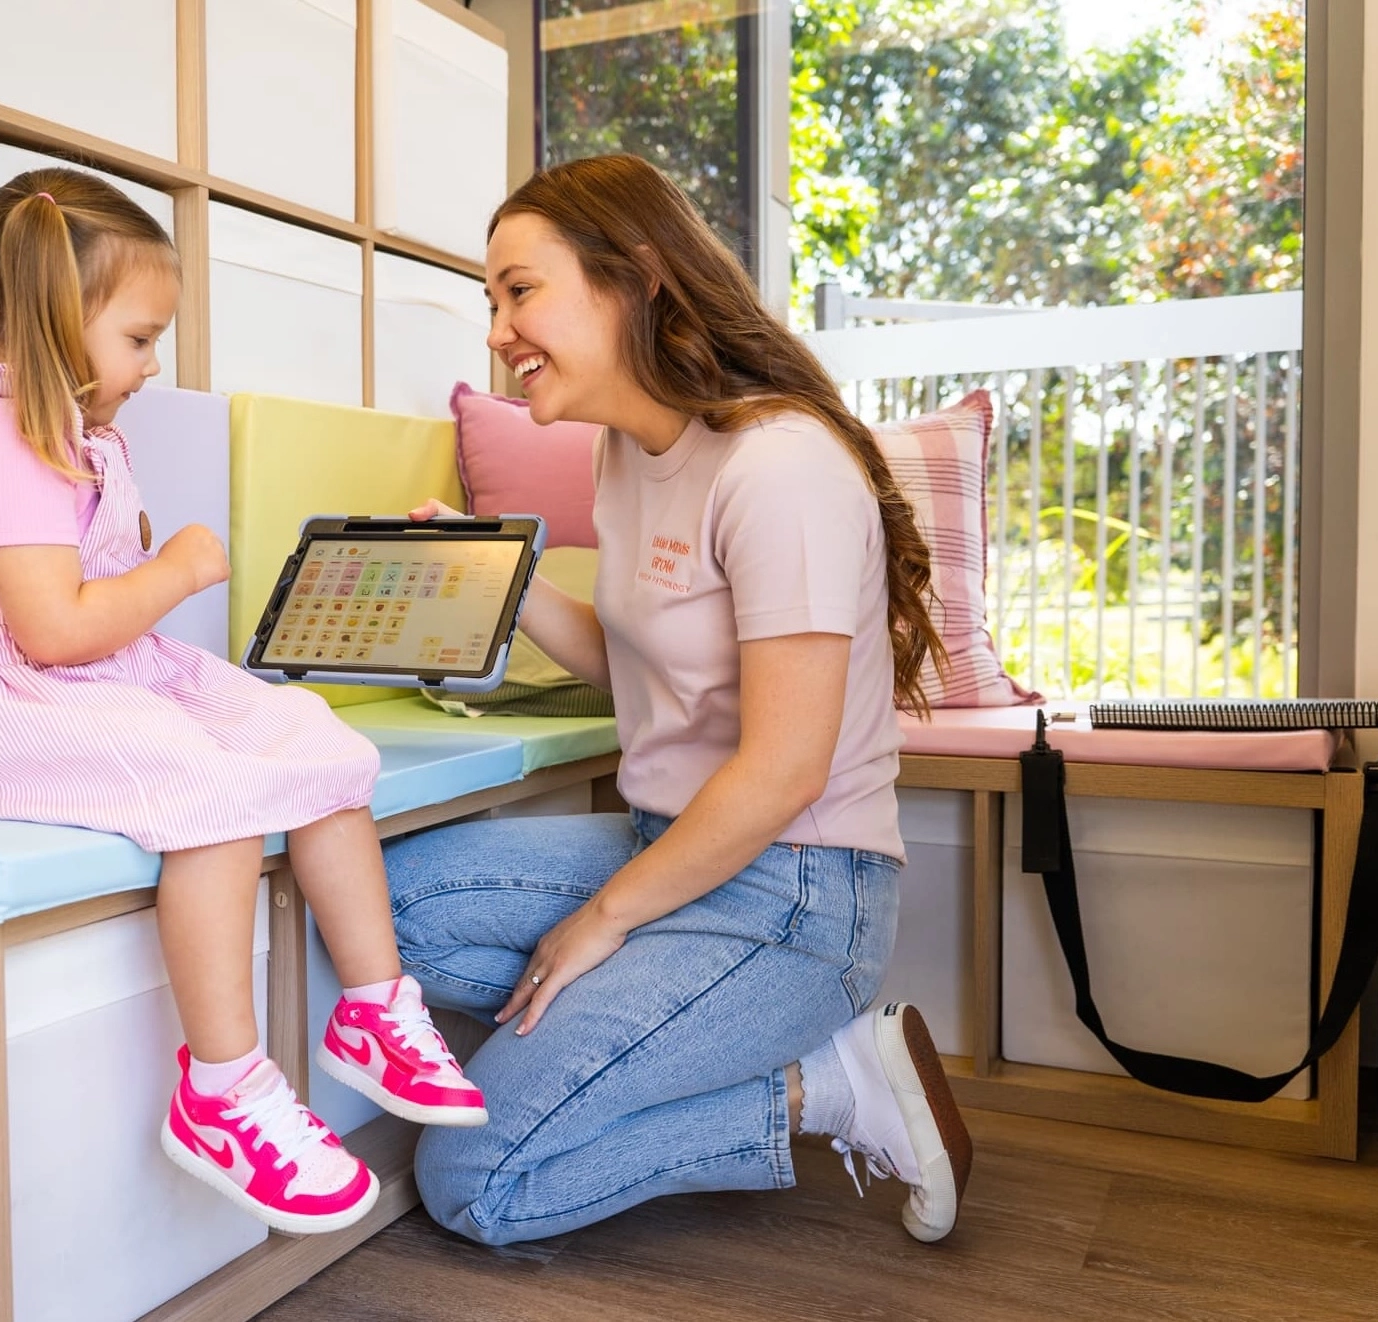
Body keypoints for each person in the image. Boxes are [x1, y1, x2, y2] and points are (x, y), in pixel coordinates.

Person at [0, 167, 484, 1237]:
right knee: (210, 791)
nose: (153, 365)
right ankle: (222, 1089)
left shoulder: (73, 434)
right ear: (58, 322)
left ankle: (375, 1008)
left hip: (100, 677)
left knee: (313, 741)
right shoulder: (2, 439)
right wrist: (180, 568)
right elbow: (50, 631)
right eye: (141, 338)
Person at [392, 153, 973, 1247]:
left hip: (796, 892)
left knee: (473, 1179)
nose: (497, 330)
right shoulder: (624, 452)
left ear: (636, 278)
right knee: (387, 906)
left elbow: (784, 768)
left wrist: (603, 919)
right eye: (491, 301)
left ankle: (823, 1087)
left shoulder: (779, 467)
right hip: (669, 843)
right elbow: (642, 666)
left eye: (520, 292)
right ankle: (632, 1044)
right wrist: (499, 579)